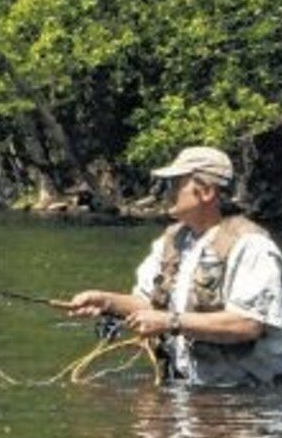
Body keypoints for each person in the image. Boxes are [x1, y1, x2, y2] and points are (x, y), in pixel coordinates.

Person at [63, 146, 282, 387]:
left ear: (206, 192)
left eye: (176, 184)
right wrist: (106, 301)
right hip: (189, 391)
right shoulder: (170, 243)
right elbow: (149, 304)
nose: (166, 192)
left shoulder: (252, 247)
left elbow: (248, 324)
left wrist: (171, 322)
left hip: (250, 396)